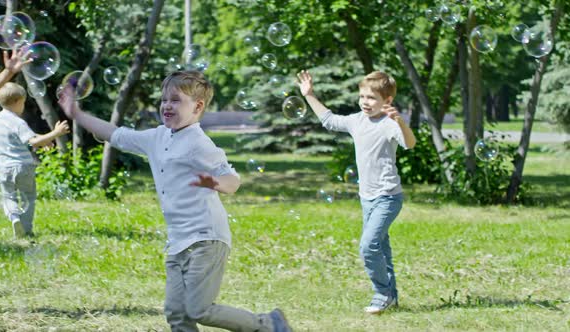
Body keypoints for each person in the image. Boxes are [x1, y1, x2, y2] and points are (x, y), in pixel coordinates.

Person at [58, 70, 293, 332]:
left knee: (199, 309)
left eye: (176, 100)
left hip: (206, 239)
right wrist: (76, 113)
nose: (167, 105)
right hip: (178, 241)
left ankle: (267, 324)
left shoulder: (199, 144)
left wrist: (215, 183)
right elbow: (116, 135)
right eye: (164, 100)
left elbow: (232, 180)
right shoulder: (157, 137)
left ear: (198, 107)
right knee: (176, 314)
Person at [297, 69, 416, 314]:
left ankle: (381, 293)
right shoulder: (356, 121)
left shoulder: (389, 124)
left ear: (387, 101)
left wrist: (401, 122)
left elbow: (409, 143)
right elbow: (329, 120)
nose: (365, 102)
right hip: (367, 198)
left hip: (388, 196)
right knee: (381, 248)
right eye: (362, 96)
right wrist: (309, 95)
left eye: (371, 98)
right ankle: (391, 296)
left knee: (368, 246)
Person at [0, 82, 70, 238]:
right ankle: (26, 229)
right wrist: (55, 133)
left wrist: (43, 142)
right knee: (28, 197)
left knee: (8, 197)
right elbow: (34, 141)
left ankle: (14, 218)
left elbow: (23, 140)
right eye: (23, 103)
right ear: (17, 102)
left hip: (4, 168)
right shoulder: (18, 121)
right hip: (23, 167)